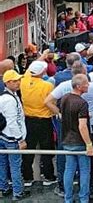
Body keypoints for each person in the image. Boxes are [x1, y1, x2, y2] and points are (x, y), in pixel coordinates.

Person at [20, 60, 56, 187]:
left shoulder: (23, 81)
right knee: (47, 149)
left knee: (29, 149)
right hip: (44, 121)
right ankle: (48, 175)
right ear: (42, 72)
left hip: (28, 120)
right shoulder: (47, 86)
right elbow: (52, 102)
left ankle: (27, 176)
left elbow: (28, 71)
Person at [61, 74, 93, 203]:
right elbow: (82, 126)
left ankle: (68, 199)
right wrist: (89, 144)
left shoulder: (64, 98)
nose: (88, 85)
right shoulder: (82, 103)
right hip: (80, 142)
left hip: (67, 140)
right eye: (86, 83)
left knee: (69, 170)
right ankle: (83, 199)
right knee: (85, 171)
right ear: (79, 86)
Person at [0, 70, 29, 200]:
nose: (18, 83)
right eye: (15, 81)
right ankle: (18, 192)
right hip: (12, 139)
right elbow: (12, 121)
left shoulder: (6, 97)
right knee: (15, 166)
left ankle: (4, 188)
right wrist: (20, 139)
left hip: (3, 136)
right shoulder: (10, 100)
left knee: (2, 164)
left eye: (18, 80)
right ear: (7, 83)